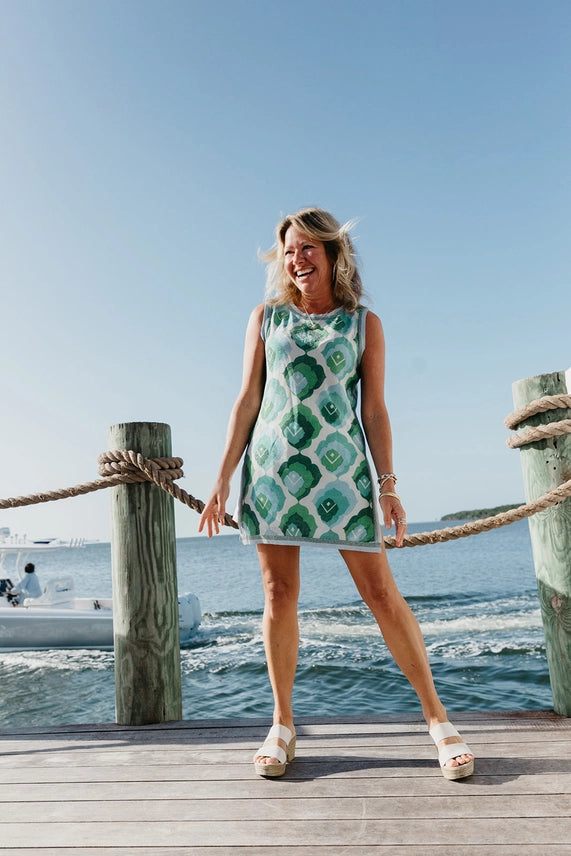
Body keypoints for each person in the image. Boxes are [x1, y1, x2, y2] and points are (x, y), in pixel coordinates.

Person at [198, 207, 474, 781]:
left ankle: (438, 720)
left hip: (343, 475)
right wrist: (222, 476)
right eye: (289, 251)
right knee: (278, 593)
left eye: (308, 249)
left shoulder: (364, 324)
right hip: (273, 473)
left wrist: (389, 485)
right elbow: (247, 399)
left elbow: (374, 410)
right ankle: (282, 724)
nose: (297, 260)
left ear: (331, 254)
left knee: (380, 594)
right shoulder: (265, 318)